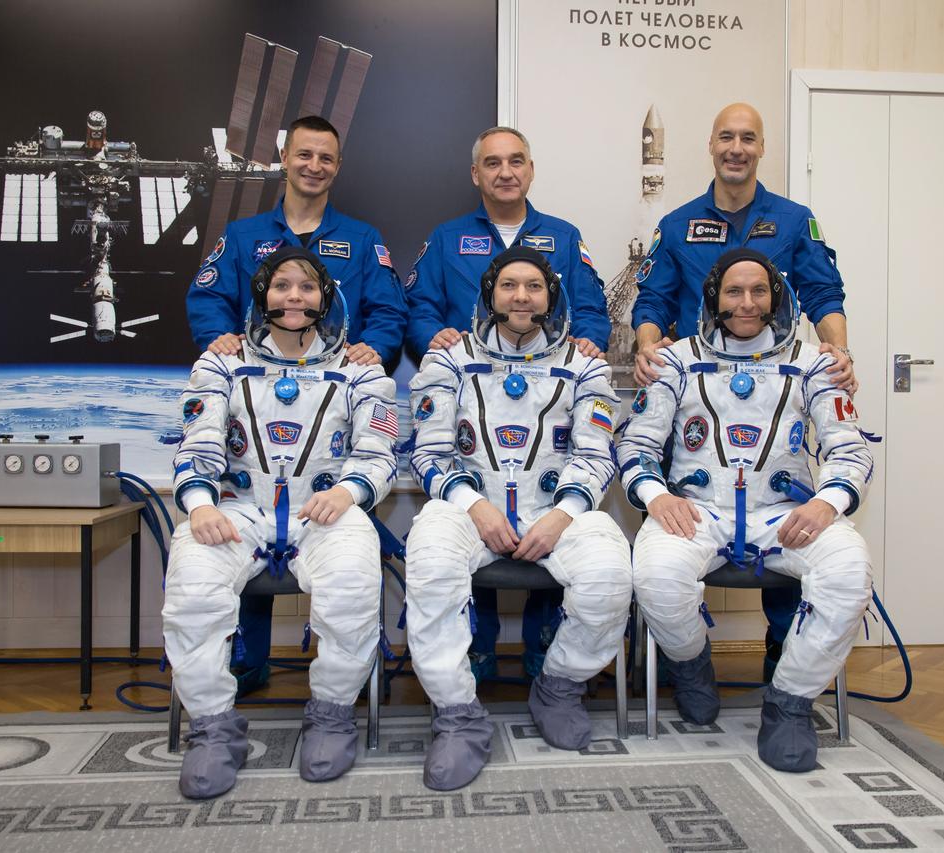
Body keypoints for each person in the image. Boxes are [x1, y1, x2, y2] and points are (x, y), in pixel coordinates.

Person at [620, 248, 873, 772]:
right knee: (657, 575)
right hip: (697, 509)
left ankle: (789, 704)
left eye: (759, 291)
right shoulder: (676, 361)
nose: (747, 303)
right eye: (734, 291)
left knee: (849, 571)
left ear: (777, 298)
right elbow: (636, 444)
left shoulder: (815, 363)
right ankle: (692, 668)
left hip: (786, 512)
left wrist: (828, 503)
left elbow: (849, 448)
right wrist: (657, 495)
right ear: (714, 297)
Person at [163, 247, 398, 797]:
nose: (294, 297)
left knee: (350, 587)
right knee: (193, 588)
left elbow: (380, 452)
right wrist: (200, 506)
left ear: (327, 297)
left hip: (326, 509)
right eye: (281, 286)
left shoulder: (359, 371)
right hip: (238, 511)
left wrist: (347, 492)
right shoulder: (220, 364)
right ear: (262, 297)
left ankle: (333, 715)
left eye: (307, 287)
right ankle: (214, 729)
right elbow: (196, 450)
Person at [632, 102, 856, 680]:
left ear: (762, 148)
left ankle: (788, 657)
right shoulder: (679, 224)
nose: (737, 148)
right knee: (672, 523)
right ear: (711, 145)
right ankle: (683, 659)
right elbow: (653, 298)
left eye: (748, 138)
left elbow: (824, 291)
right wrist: (650, 347)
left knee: (786, 507)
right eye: (726, 137)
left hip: (774, 391)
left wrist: (838, 351)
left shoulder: (793, 219)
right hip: (693, 396)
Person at [185, 115, 407, 696]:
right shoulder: (240, 236)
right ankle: (245, 662)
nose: (314, 166)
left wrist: (371, 353)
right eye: (304, 155)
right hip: (255, 406)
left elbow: (389, 313)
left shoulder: (361, 240)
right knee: (250, 504)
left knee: (336, 537)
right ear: (285, 158)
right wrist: (220, 341)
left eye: (326, 158)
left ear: (338, 166)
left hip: (332, 410)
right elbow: (207, 299)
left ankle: (342, 671)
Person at [403, 246, 632, 790]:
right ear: (489, 294)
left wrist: (562, 515)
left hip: (555, 508)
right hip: (469, 505)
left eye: (534, 286)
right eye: (509, 285)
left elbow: (597, 455)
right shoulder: (447, 360)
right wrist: (475, 506)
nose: (521, 296)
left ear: (551, 296)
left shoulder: (585, 365)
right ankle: (457, 712)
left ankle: (558, 684)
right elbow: (429, 454)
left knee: (609, 574)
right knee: (430, 563)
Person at [404, 126, 612, 680]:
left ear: (531, 169)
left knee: (554, 510)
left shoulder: (563, 237)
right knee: (472, 516)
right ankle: (476, 655)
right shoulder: (447, 239)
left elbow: (590, 306)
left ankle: (550, 659)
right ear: (476, 174)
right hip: (472, 401)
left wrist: (586, 341)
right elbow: (421, 308)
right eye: (492, 163)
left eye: (516, 160)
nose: (505, 172)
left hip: (548, 401)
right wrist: (438, 341)